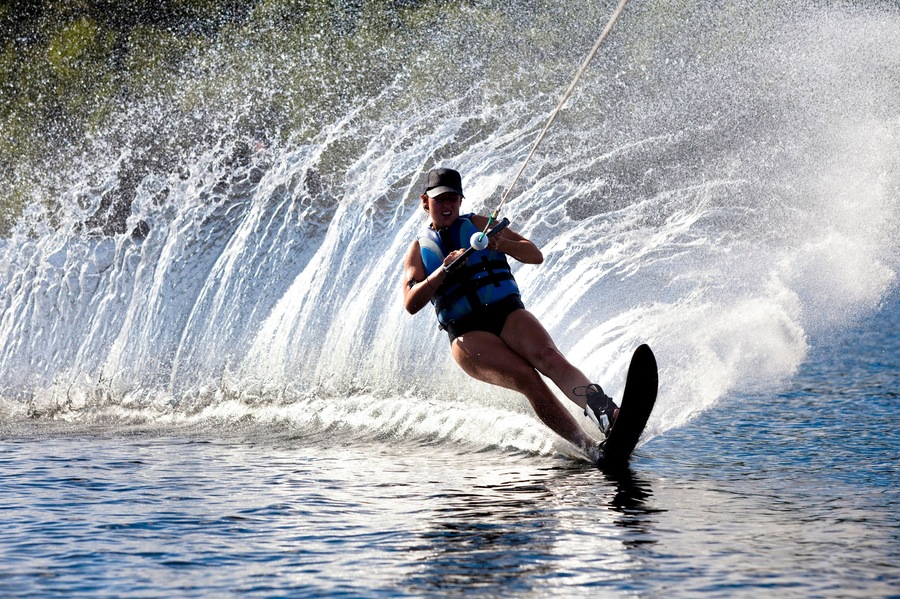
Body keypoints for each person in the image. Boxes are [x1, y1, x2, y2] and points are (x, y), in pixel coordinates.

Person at [401, 167, 618, 462]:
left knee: (548, 357)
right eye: (440, 199)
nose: (447, 204)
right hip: (466, 333)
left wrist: (499, 243)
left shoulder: (479, 225)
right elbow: (411, 303)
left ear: (461, 201)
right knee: (527, 377)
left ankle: (604, 411)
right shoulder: (418, 250)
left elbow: (534, 254)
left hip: (506, 313)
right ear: (425, 202)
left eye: (452, 198)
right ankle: (588, 446)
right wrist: (443, 271)